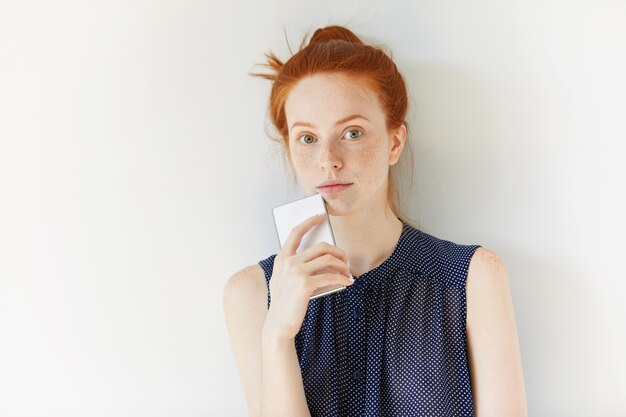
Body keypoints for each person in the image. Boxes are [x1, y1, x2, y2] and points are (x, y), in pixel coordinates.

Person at [223, 25, 527, 417]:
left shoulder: (472, 278)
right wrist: (278, 338)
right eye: (308, 138)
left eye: (352, 132)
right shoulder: (251, 294)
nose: (328, 159)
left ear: (395, 142)